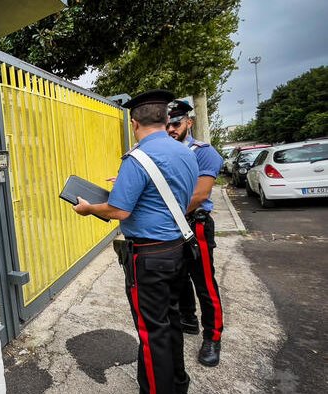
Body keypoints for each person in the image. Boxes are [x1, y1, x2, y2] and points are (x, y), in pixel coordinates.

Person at [73, 90, 199, 394]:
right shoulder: (186, 152)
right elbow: (173, 191)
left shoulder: (138, 157)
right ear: (167, 119)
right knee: (170, 322)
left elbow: (119, 209)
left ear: (134, 122)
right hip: (177, 248)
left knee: (151, 332)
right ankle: (178, 382)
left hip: (149, 257)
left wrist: (89, 208)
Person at [167, 100, 225, 367]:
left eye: (176, 123)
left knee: (204, 282)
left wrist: (171, 216)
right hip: (171, 225)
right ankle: (188, 320)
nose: (171, 129)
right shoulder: (163, 152)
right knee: (177, 277)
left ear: (188, 122)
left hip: (194, 224)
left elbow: (200, 195)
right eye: (166, 124)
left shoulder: (203, 152)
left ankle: (212, 338)